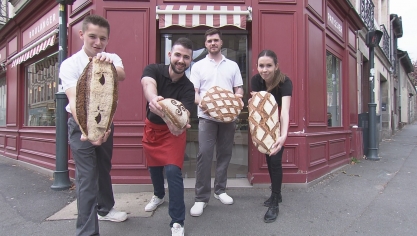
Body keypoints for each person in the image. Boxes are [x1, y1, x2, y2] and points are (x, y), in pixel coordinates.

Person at [59, 15, 127, 236]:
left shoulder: (111, 57)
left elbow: (122, 74)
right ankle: (87, 232)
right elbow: (73, 101)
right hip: (80, 128)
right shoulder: (70, 64)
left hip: (107, 124)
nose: (98, 43)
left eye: (103, 38)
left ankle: (105, 209)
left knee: (103, 170)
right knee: (87, 178)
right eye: (92, 37)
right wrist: (90, 132)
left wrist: (107, 66)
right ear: (82, 35)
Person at [141, 37, 195, 236]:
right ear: (170, 55)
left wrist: (178, 124)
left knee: (173, 172)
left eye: (187, 57)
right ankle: (158, 195)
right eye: (178, 55)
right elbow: (148, 85)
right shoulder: (154, 69)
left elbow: (185, 114)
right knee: (154, 167)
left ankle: (177, 221)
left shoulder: (188, 87)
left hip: (173, 133)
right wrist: (154, 99)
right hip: (152, 128)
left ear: (190, 61)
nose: (181, 60)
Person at [189, 28, 244, 217]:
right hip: (206, 117)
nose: (213, 43)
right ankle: (201, 198)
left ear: (221, 43)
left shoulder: (233, 66)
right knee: (204, 154)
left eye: (216, 40)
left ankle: (220, 190)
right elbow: (193, 92)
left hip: (228, 118)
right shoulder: (197, 66)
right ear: (206, 44)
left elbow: (238, 90)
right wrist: (204, 103)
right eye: (209, 41)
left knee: (225, 153)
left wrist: (238, 98)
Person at [250, 49, 292, 223]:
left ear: (276, 66)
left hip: (277, 126)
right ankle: (278, 194)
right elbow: (257, 108)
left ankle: (275, 201)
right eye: (261, 65)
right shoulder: (255, 80)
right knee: (269, 160)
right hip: (262, 125)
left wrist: (283, 136)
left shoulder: (285, 82)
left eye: (269, 65)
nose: (264, 69)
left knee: (275, 162)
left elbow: (285, 112)